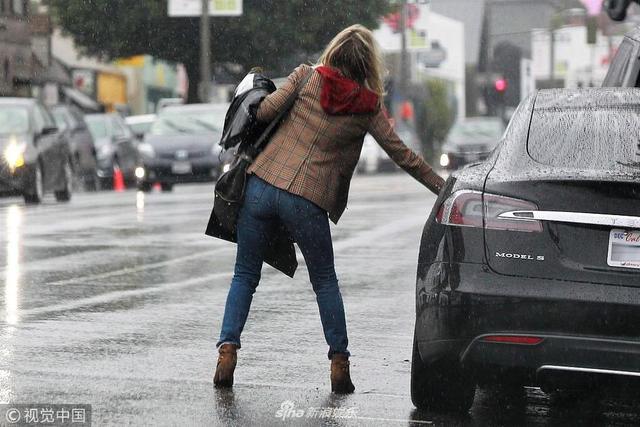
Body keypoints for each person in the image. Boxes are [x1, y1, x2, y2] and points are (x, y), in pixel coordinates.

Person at [213, 24, 445, 394]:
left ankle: (227, 350)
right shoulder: (368, 107)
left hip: (260, 186)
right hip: (308, 201)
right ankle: (339, 364)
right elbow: (404, 156)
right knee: (324, 282)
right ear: (368, 64)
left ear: (334, 51)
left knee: (244, 275)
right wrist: (445, 188)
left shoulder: (305, 77)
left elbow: (265, 111)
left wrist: (258, 90)